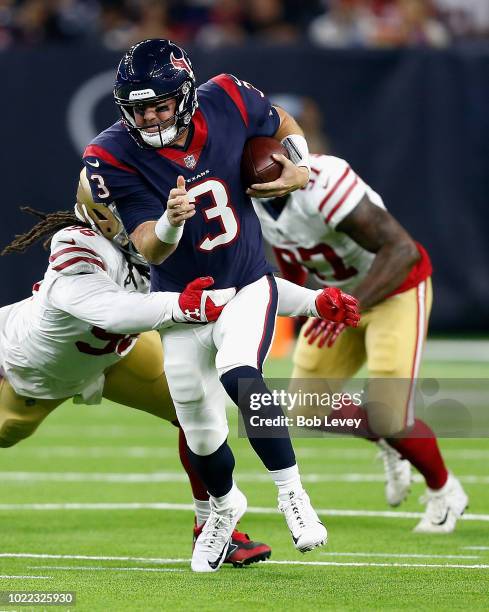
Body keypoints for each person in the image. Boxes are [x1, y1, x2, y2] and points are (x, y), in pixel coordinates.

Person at [82, 39, 360, 572]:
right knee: (200, 427)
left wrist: (300, 166)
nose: (150, 117)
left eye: (160, 105)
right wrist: (170, 221)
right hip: (184, 301)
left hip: (245, 282)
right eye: (139, 108)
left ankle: (293, 495)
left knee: (241, 376)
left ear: (185, 95)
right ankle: (224, 507)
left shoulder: (228, 95)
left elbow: (280, 121)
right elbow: (147, 244)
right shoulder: (111, 152)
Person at [0, 169, 357, 566]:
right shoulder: (75, 245)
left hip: (117, 356)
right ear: (104, 216)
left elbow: (243, 290)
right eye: (139, 206)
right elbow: (112, 310)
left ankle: (212, 527)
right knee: (6, 435)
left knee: (193, 411)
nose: (155, 215)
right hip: (29, 371)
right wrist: (179, 306)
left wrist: (311, 301)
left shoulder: (168, 241)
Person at [253, 152, 468, 534]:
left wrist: (347, 304)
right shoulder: (249, 196)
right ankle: (387, 439)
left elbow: (402, 250)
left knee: (389, 412)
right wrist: (304, 305)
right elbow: (289, 253)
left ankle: (444, 490)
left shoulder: (324, 183)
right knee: (306, 407)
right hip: (339, 300)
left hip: (395, 289)